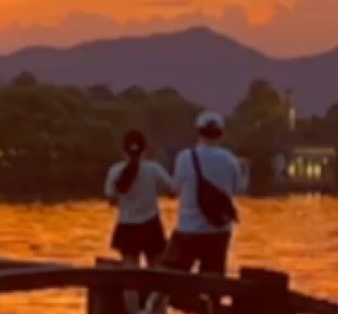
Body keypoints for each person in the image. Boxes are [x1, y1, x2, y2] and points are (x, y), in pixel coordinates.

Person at [164, 110, 249, 288]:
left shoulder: (185, 157)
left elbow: (175, 188)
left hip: (187, 229)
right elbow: (239, 190)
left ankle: (156, 313)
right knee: (214, 284)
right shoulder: (230, 160)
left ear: (198, 132)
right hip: (218, 231)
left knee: (169, 280)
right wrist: (245, 169)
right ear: (221, 133)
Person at [102, 129, 177, 268]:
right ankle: (155, 290)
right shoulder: (154, 169)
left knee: (130, 269)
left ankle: (132, 290)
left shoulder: (115, 170)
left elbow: (111, 200)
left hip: (126, 226)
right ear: (145, 148)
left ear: (123, 149)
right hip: (151, 226)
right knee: (155, 268)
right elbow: (173, 191)